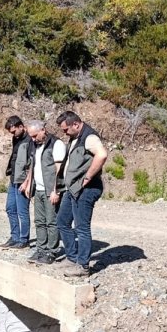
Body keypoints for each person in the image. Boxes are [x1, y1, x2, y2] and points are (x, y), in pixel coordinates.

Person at [55, 111, 107, 277]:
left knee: (81, 228)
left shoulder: (89, 138)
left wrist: (88, 176)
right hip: (73, 188)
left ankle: (83, 266)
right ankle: (72, 257)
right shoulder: (75, 137)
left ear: (76, 124)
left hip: (86, 189)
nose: (64, 133)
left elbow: (102, 154)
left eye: (66, 129)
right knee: (62, 221)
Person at [20, 120, 66, 265]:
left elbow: (59, 170)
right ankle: (41, 249)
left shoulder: (56, 144)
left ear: (43, 130)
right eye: (31, 137)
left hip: (50, 190)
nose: (33, 139)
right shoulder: (35, 145)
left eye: (34, 136)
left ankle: (51, 251)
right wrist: (28, 183)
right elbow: (32, 166)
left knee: (51, 222)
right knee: (39, 221)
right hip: (38, 189)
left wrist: (55, 191)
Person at [0, 115, 31, 249]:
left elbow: (32, 163)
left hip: (23, 180)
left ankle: (24, 239)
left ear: (21, 127)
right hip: (14, 178)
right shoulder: (16, 138)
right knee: (10, 208)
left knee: (22, 211)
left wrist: (27, 182)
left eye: (14, 131)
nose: (13, 134)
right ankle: (15, 237)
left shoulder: (30, 140)